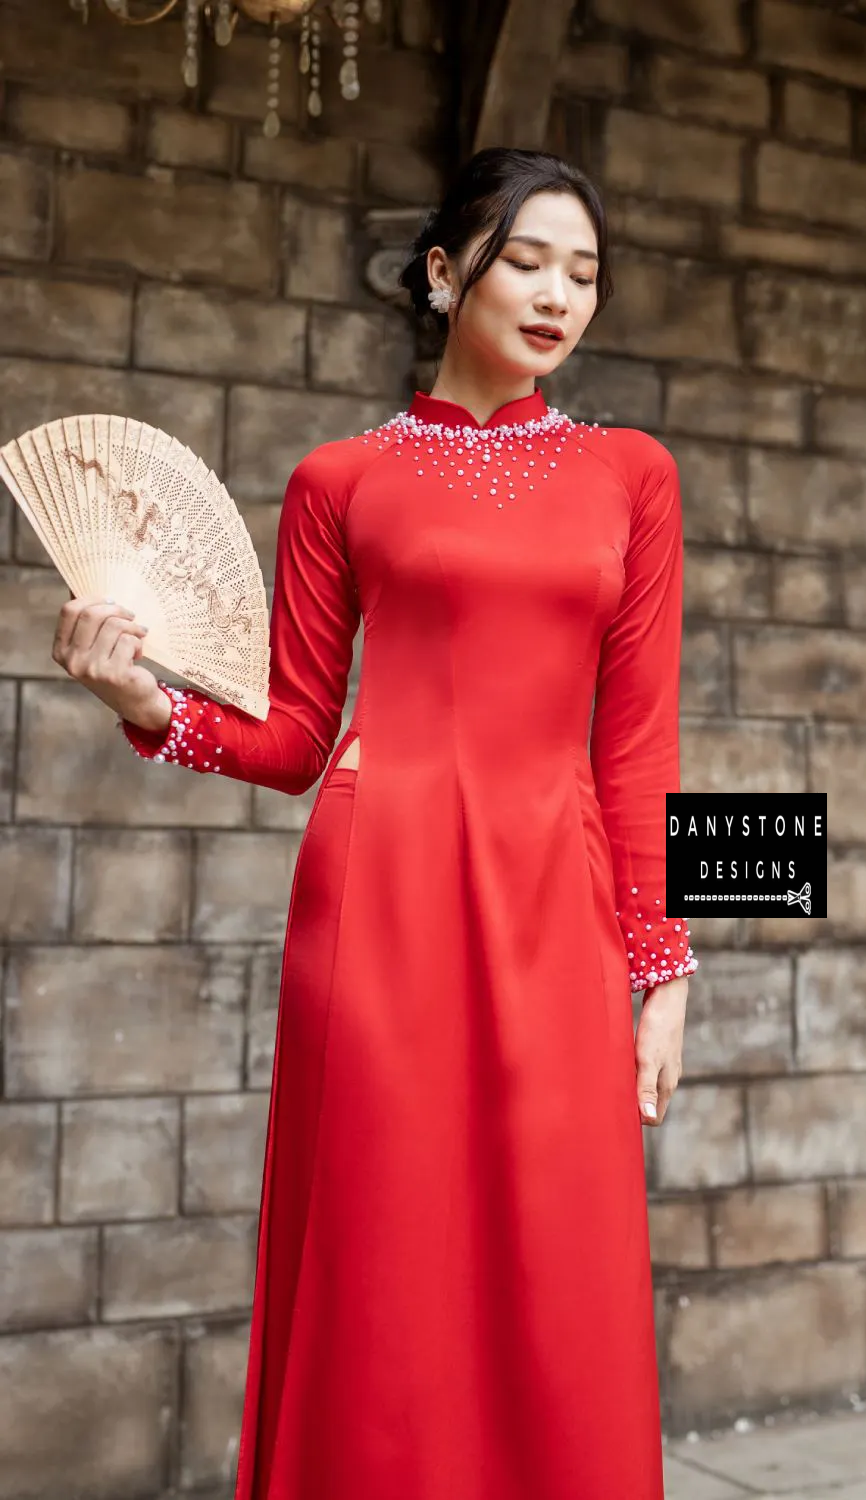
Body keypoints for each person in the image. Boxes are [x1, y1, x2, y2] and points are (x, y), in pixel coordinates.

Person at [50, 146, 698, 1500]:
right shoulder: (339, 479)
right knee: (383, 1260)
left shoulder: (633, 476)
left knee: (558, 1256)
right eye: (528, 260)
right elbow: (291, 740)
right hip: (377, 894)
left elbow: (638, 742)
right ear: (445, 269)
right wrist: (140, 698)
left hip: (553, 898)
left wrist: (665, 967)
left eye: (585, 273)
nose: (559, 296)